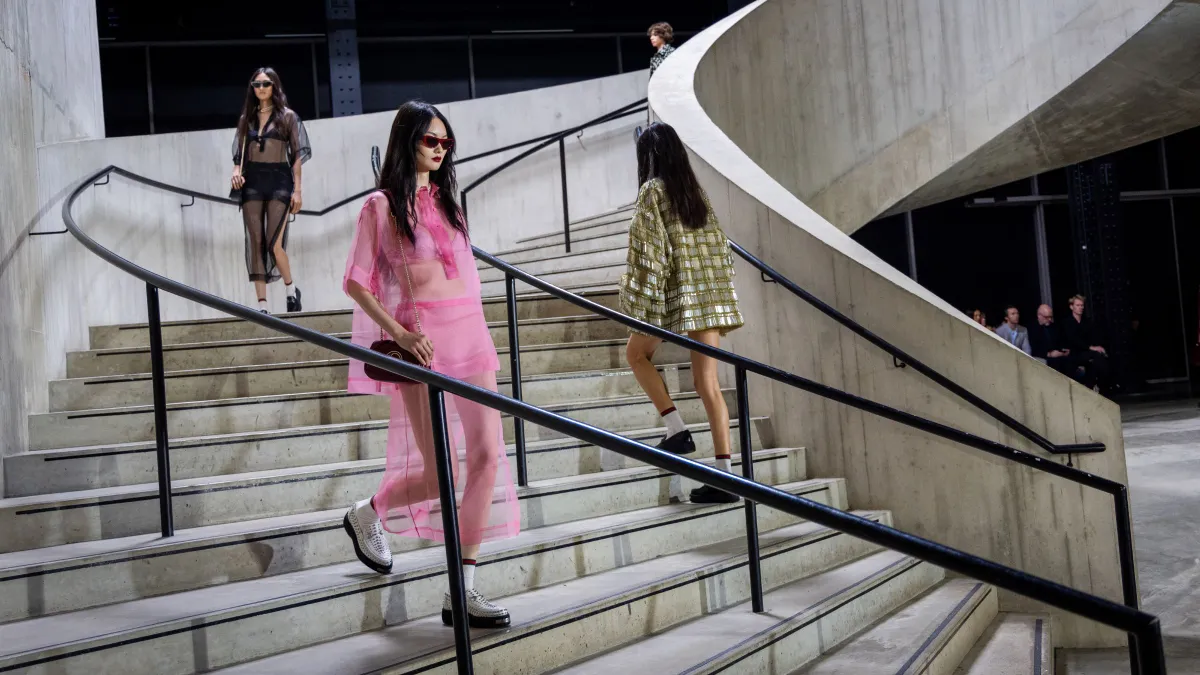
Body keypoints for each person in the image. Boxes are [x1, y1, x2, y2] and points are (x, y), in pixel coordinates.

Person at [341, 100, 519, 628]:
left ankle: (460, 590)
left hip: (471, 341)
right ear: (408, 142)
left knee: (487, 455)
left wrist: (486, 343)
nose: (440, 150)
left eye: (446, 142)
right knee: (442, 473)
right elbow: (355, 281)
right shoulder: (380, 207)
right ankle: (368, 511)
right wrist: (398, 334)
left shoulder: (447, 201)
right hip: (424, 350)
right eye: (430, 141)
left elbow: (465, 281)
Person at [620, 122, 745, 505]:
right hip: (708, 296)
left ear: (649, 157)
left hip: (673, 296)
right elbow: (719, 250)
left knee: (635, 354)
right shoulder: (696, 193)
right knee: (708, 384)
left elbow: (648, 253)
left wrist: (635, 298)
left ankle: (676, 428)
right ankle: (725, 479)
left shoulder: (652, 192)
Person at [230, 67, 311, 313]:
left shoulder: (287, 117)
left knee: (273, 243)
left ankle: (290, 289)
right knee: (255, 241)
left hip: (279, 181)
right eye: (256, 84)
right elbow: (238, 156)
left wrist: (298, 190)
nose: (261, 88)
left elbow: (297, 157)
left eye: (265, 84)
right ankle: (262, 307)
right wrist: (236, 171)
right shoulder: (247, 119)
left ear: (274, 86)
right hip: (252, 181)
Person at [1061, 294, 1110, 390]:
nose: (1080, 308)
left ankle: (1096, 386)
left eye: (1082, 305)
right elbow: (1073, 340)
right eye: (1078, 305)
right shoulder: (1067, 322)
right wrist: (1091, 348)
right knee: (1097, 357)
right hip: (1074, 353)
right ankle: (1097, 387)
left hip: (1086, 352)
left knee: (1098, 360)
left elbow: (1093, 338)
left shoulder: (1087, 322)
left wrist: (1096, 348)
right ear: (1072, 307)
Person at [1029, 304, 1076, 377]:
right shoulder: (1032, 329)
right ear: (1039, 316)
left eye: (1051, 317)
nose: (1050, 320)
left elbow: (1060, 341)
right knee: (1055, 363)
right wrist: (1049, 354)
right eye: (1047, 317)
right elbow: (1033, 349)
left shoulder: (1054, 327)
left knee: (1070, 361)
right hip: (1044, 356)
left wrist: (1063, 350)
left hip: (1057, 354)